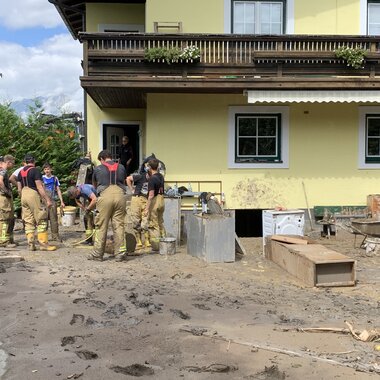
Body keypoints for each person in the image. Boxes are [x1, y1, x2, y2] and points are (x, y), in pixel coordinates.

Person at [89, 150, 127, 261]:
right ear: (110, 157)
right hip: (120, 196)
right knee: (119, 225)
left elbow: (94, 185)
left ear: (102, 159)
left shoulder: (98, 169)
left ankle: (97, 254)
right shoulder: (121, 167)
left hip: (105, 196)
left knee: (101, 226)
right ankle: (120, 253)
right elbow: (124, 181)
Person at [17, 154, 56, 251]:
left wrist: (22, 196)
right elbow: (39, 187)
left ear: (25, 162)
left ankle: (31, 244)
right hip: (32, 193)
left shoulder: (20, 172)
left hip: (23, 194)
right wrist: (47, 199)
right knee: (41, 218)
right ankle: (43, 244)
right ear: (34, 162)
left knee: (28, 220)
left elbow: (18, 188)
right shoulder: (35, 170)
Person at [126, 168, 151, 251]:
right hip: (136, 198)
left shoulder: (154, 178)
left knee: (145, 220)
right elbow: (128, 179)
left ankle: (147, 240)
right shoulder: (140, 176)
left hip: (146, 200)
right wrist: (132, 189)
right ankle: (138, 241)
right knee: (135, 220)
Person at [144, 158, 166, 251]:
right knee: (161, 222)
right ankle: (164, 242)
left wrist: (146, 208)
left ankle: (156, 245)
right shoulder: (161, 176)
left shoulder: (152, 179)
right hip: (162, 200)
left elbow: (151, 195)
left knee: (154, 224)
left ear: (149, 167)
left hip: (155, 201)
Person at [42, 163, 65, 242]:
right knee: (43, 219)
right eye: (45, 169)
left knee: (54, 219)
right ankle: (43, 237)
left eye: (48, 169)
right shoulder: (42, 178)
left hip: (52, 200)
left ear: (51, 169)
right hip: (44, 201)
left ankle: (55, 236)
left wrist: (62, 201)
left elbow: (58, 190)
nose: (47, 171)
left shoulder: (55, 178)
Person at [0, 155, 16, 248]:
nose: (12, 166)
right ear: (8, 162)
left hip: (4, 197)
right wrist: (6, 191)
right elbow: (0, 181)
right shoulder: (3, 170)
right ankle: (3, 241)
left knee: (8, 217)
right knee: (4, 218)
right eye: (12, 164)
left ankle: (7, 239)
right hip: (3, 197)